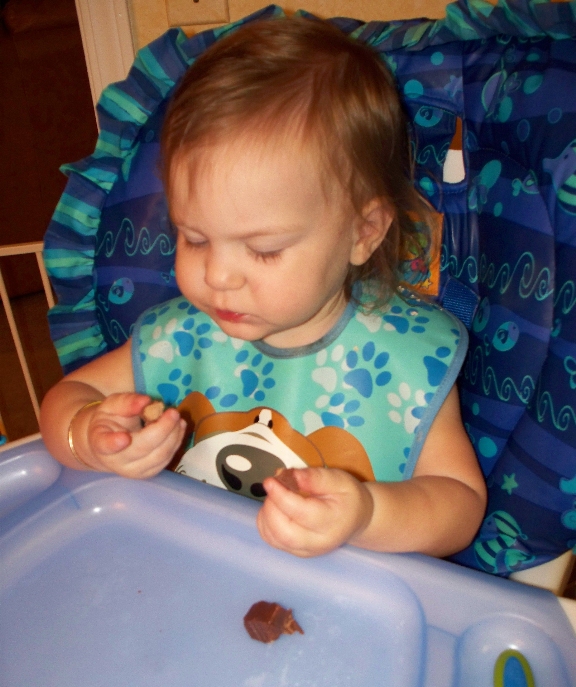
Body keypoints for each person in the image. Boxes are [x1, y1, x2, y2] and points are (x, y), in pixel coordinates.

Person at [40, 16, 486, 559]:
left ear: (363, 232)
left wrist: (367, 513)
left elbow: (460, 505)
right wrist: (89, 436)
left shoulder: (405, 357)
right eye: (194, 238)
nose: (218, 276)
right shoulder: (183, 335)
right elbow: (66, 400)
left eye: (264, 249)